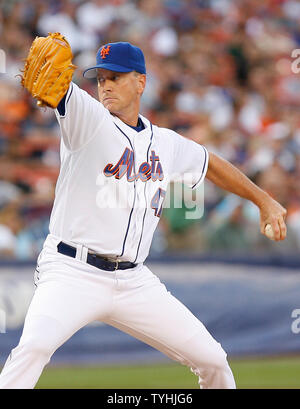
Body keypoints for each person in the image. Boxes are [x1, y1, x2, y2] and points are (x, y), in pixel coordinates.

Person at [0, 40, 287, 389]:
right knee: (33, 348)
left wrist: (264, 200)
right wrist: (58, 90)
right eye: (101, 78)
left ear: (141, 82)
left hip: (134, 282)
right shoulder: (87, 119)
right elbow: (63, 94)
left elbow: (211, 165)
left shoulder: (165, 143)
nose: (105, 85)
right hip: (71, 272)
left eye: (116, 77)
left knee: (213, 360)